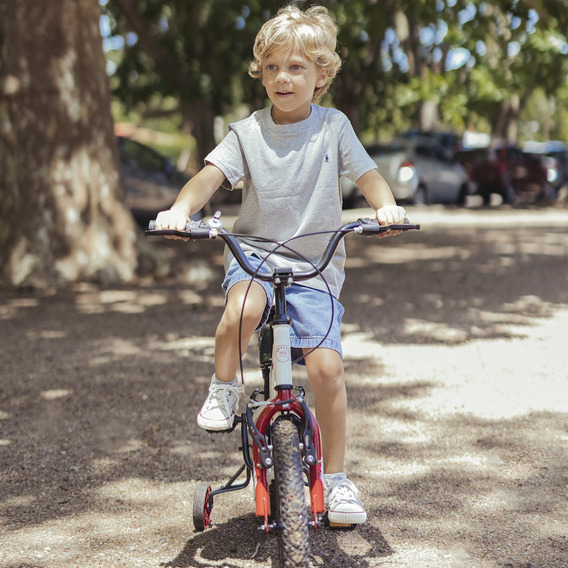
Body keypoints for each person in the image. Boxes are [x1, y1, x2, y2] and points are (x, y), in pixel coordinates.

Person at [155, 4, 407, 525]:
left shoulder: (333, 127)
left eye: (295, 67)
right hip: (255, 259)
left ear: (322, 75)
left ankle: (335, 479)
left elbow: (368, 176)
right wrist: (181, 210)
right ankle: (226, 386)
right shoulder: (248, 132)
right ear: (261, 75)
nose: (281, 78)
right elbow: (207, 179)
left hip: (314, 267)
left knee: (327, 369)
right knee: (241, 311)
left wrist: (385, 206)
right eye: (271, 67)